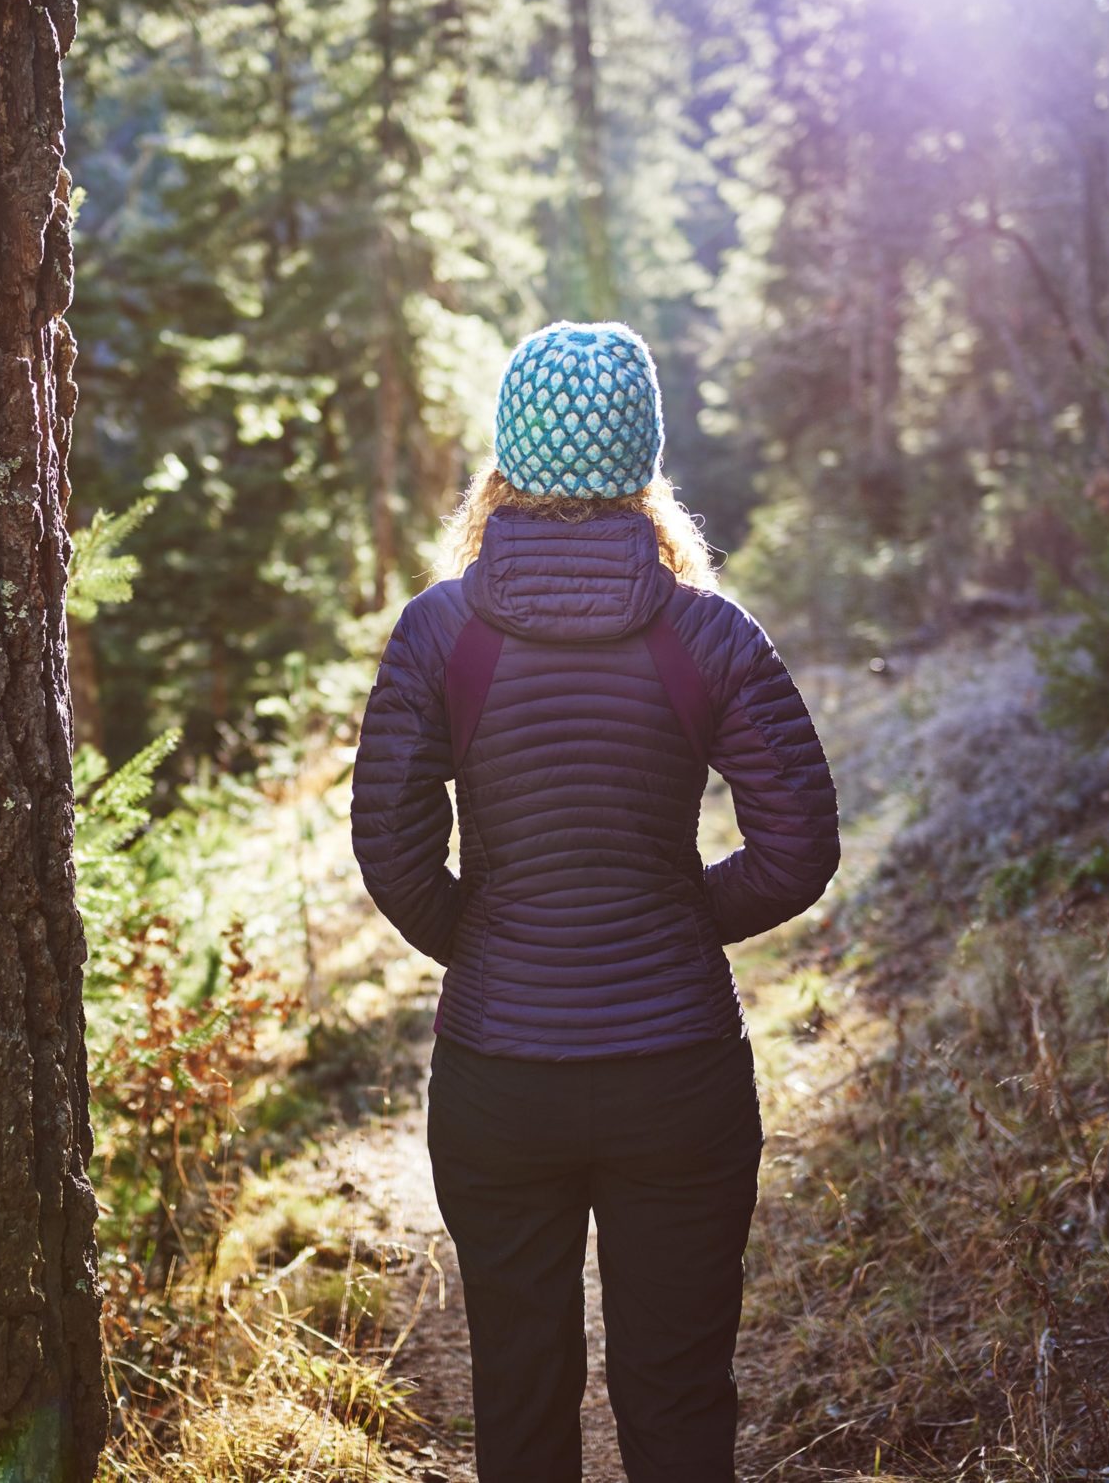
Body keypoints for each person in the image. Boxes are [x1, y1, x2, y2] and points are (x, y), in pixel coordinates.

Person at [350, 319, 842, 1483]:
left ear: (505, 460)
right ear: (644, 465)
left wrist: (480, 940)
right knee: (678, 1391)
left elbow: (392, 848)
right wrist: (675, 920)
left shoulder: (440, 630)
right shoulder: (709, 634)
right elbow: (798, 848)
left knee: (517, 1391)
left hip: (497, 1075)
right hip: (678, 1074)